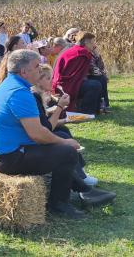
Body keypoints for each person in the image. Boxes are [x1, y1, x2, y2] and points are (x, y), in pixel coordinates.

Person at [0, 49, 86, 218]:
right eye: (36, 66)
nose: (40, 69)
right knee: (67, 151)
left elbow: (39, 131)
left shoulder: (12, 84)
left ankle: (79, 185)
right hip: (8, 158)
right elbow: (37, 134)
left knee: (62, 137)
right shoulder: (19, 93)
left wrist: (61, 140)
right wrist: (65, 144)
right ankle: (59, 204)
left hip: (9, 151)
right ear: (24, 72)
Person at [32, 64, 116, 205]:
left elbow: (43, 123)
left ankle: (81, 177)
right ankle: (80, 187)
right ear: (38, 80)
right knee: (63, 138)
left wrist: (59, 114)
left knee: (64, 132)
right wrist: (60, 108)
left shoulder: (38, 95)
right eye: (48, 78)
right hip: (26, 145)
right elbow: (45, 127)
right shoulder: (33, 95)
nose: (51, 81)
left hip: (30, 139)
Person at [52, 31, 102, 114]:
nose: (94, 45)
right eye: (93, 42)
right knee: (95, 85)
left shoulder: (74, 50)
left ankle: (99, 108)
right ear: (86, 42)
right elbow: (77, 76)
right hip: (65, 86)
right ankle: (86, 112)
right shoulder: (82, 53)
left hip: (61, 83)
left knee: (99, 80)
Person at [88, 48, 110, 112]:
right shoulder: (87, 54)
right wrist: (94, 70)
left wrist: (98, 57)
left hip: (97, 74)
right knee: (100, 79)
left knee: (102, 78)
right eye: (94, 48)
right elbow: (91, 66)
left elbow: (101, 67)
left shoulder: (96, 55)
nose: (95, 49)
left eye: (95, 48)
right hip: (88, 75)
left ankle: (105, 104)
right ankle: (101, 105)